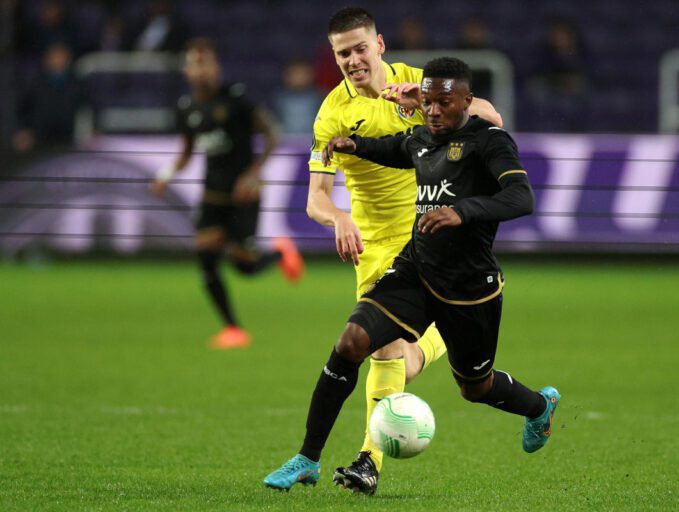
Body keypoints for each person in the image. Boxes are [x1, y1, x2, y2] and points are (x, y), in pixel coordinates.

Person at [264, 56, 560, 493]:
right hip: (415, 269)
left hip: (469, 287)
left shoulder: (489, 140)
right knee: (351, 342)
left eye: (444, 103)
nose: (434, 111)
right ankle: (308, 458)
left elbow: (521, 196)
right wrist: (354, 145)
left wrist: (462, 211)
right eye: (428, 102)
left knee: (475, 387)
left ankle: (538, 408)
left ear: (467, 101)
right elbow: (396, 150)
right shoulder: (423, 137)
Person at [297, 7, 503, 495]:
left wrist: (425, 101)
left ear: (380, 45)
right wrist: (339, 217)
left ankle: (368, 462)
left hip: (429, 234)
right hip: (374, 244)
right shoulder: (331, 113)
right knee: (399, 359)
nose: (353, 60)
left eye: (360, 48)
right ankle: (439, 338)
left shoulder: (419, 83)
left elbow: (492, 117)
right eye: (342, 53)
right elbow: (315, 198)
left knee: (384, 349)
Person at [150, 38, 303, 349]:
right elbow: (187, 152)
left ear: (216, 67)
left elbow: (272, 135)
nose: (201, 70)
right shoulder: (187, 108)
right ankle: (232, 328)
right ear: (187, 71)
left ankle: (280, 253)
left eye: (205, 63)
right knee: (206, 260)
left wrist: (252, 174)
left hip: (244, 195)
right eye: (195, 64)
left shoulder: (236, 99)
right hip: (212, 195)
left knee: (245, 266)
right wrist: (165, 176)